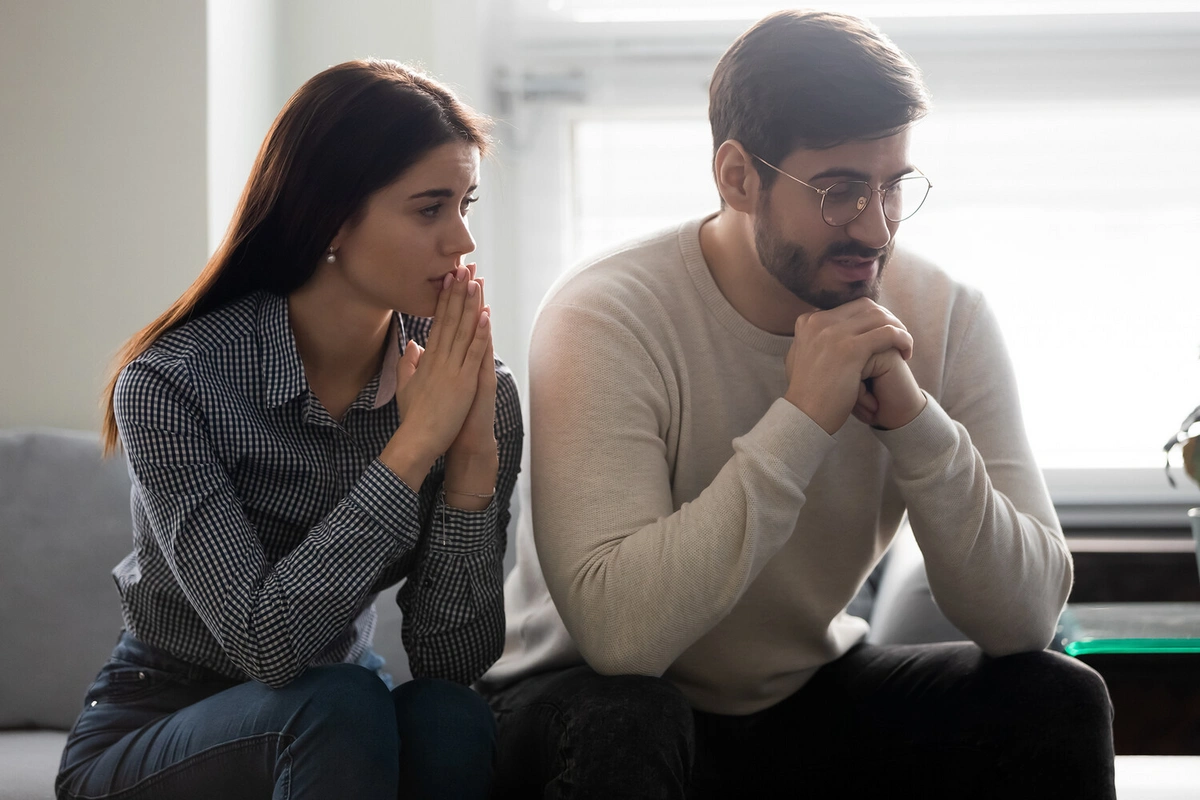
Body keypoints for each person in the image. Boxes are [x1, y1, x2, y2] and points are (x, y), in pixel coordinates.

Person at [478, 10, 1114, 799]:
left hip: (803, 697)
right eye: (840, 192)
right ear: (738, 177)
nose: (875, 229)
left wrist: (917, 427)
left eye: (892, 187)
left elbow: (1025, 620)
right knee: (629, 716)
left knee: (1055, 696)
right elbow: (622, 639)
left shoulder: (944, 314)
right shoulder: (605, 314)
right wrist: (802, 418)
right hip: (580, 698)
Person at [56, 59, 522, 800]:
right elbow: (265, 644)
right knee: (337, 703)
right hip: (163, 714)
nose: (462, 241)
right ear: (332, 217)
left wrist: (468, 463)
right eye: (429, 209)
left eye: (464, 205)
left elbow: (450, 661)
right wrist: (413, 447)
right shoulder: (173, 384)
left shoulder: (470, 390)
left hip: (339, 713)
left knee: (447, 716)